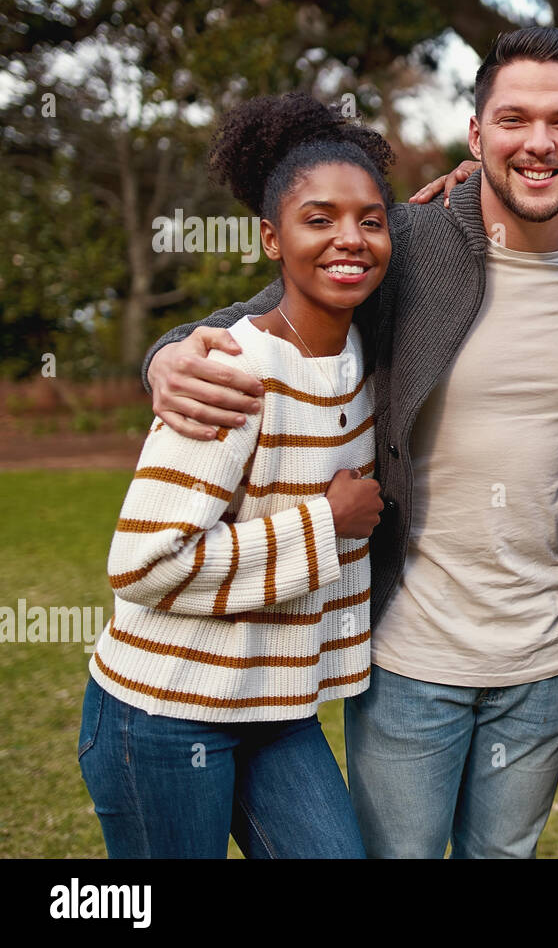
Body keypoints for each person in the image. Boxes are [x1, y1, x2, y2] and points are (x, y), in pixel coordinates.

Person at [138, 27, 558, 858]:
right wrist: (165, 356)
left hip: (546, 661)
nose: (538, 143)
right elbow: (272, 306)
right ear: (475, 135)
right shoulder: (402, 245)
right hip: (406, 654)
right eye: (514, 120)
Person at [78, 93, 391, 858]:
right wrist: (326, 524)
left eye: (371, 220)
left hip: (275, 709)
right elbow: (143, 564)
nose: (348, 238)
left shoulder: (366, 360)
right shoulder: (230, 372)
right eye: (317, 219)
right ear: (271, 238)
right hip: (162, 712)